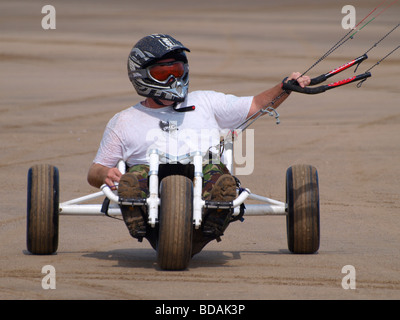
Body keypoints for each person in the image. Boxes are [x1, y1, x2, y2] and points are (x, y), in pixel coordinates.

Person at [87, 33, 310, 254]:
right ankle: (136, 210)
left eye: (177, 71)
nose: (173, 79)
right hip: (149, 185)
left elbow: (257, 104)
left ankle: (216, 212)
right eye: (163, 73)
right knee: (135, 177)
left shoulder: (205, 101)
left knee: (214, 170)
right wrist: (105, 174)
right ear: (142, 75)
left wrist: (285, 87)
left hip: (203, 173)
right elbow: (95, 171)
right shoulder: (124, 120)